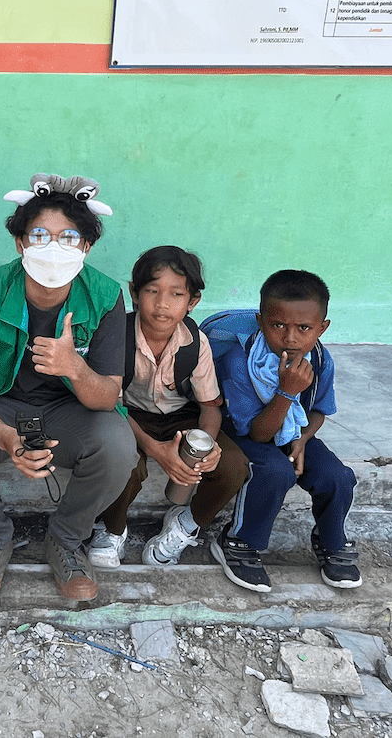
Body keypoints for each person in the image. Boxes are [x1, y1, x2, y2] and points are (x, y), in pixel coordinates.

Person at [0, 174, 136, 601]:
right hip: (1, 405)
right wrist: (6, 437)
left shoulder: (105, 295)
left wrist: (74, 367)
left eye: (69, 238)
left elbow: (107, 396)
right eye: (40, 235)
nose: (53, 246)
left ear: (86, 247)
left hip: (71, 413)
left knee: (118, 444)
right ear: (20, 243)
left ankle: (66, 541)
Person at [87, 246, 249, 569]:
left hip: (181, 417)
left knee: (234, 467)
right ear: (134, 293)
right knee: (124, 462)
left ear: (193, 302)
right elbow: (111, 405)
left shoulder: (197, 342)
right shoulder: (115, 335)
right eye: (152, 291)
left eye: (176, 294)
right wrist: (156, 450)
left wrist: (206, 446)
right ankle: (112, 528)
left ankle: (185, 524)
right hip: (127, 414)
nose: (162, 305)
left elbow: (210, 407)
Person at [212, 270, 360, 593]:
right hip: (246, 432)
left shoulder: (320, 360)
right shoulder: (242, 360)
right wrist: (287, 393)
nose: (290, 338)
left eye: (304, 328)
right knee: (275, 471)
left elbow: (320, 410)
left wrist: (304, 438)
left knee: (337, 476)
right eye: (278, 325)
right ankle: (238, 541)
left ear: (322, 328)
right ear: (261, 320)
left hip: (294, 432)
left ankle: (331, 540)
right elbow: (257, 435)